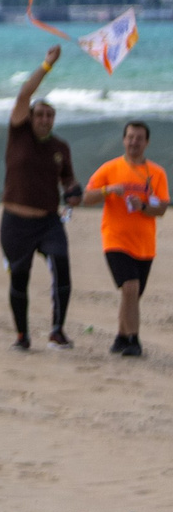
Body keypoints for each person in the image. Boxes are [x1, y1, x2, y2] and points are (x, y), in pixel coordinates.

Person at [1, 47, 82, 351]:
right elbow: (24, 94)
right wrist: (48, 64)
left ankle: (57, 331)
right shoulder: (18, 134)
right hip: (14, 222)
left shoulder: (61, 147)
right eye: (40, 114)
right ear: (30, 117)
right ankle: (22, 336)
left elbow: (68, 180)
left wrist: (74, 191)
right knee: (19, 277)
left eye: (50, 115)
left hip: (48, 221)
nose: (44, 119)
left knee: (61, 263)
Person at [84, 119, 166, 358]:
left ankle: (120, 337)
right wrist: (108, 190)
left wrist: (142, 205)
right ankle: (134, 340)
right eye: (130, 137)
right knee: (131, 286)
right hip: (115, 239)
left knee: (132, 294)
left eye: (139, 138)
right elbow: (87, 197)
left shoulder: (157, 173)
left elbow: (161, 207)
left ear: (146, 142)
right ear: (124, 139)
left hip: (144, 244)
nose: (134, 142)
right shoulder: (110, 169)